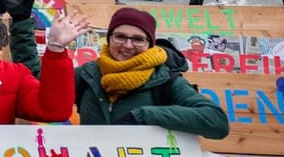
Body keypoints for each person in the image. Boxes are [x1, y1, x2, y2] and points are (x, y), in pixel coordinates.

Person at [73, 7, 230, 138]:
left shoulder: (166, 80)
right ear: (109, 39)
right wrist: (56, 48)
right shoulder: (88, 74)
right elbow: (49, 95)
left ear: (150, 44)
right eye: (120, 37)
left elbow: (216, 121)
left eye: (138, 39)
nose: (128, 45)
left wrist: (144, 115)